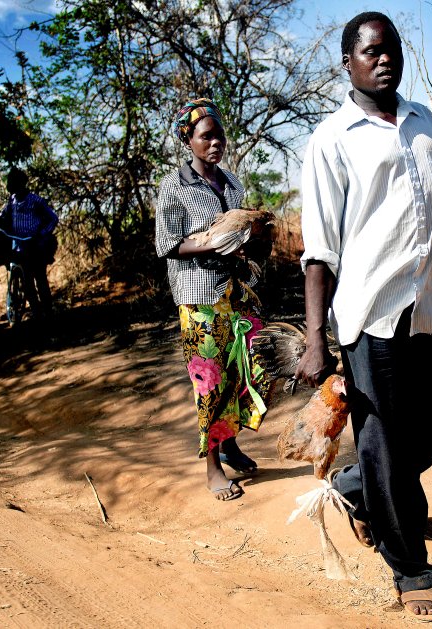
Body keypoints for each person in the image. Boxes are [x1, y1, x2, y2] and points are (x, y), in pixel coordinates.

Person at [294, 12, 432, 622]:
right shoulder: (332, 138)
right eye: (371, 51)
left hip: (431, 308)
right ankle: (411, 570)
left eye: (392, 49)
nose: (385, 59)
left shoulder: (424, 122)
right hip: (370, 316)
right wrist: (316, 338)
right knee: (382, 440)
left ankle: (355, 491)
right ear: (347, 62)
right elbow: (319, 248)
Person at [155, 98, 271, 501]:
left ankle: (232, 441)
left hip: (236, 293)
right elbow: (165, 244)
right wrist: (209, 242)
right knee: (211, 381)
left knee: (247, 369)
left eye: (219, 135)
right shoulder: (174, 186)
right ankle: (212, 467)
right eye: (206, 136)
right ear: (188, 140)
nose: (216, 142)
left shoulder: (233, 182)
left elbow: (240, 235)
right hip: (198, 297)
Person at [0, 167, 59, 318]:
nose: (12, 188)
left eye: (14, 184)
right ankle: (37, 313)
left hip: (35, 247)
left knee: (40, 280)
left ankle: (49, 312)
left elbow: (53, 218)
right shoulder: (11, 201)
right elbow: (3, 217)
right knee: (27, 284)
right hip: (19, 248)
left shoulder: (35, 200)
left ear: (22, 184)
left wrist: (42, 234)